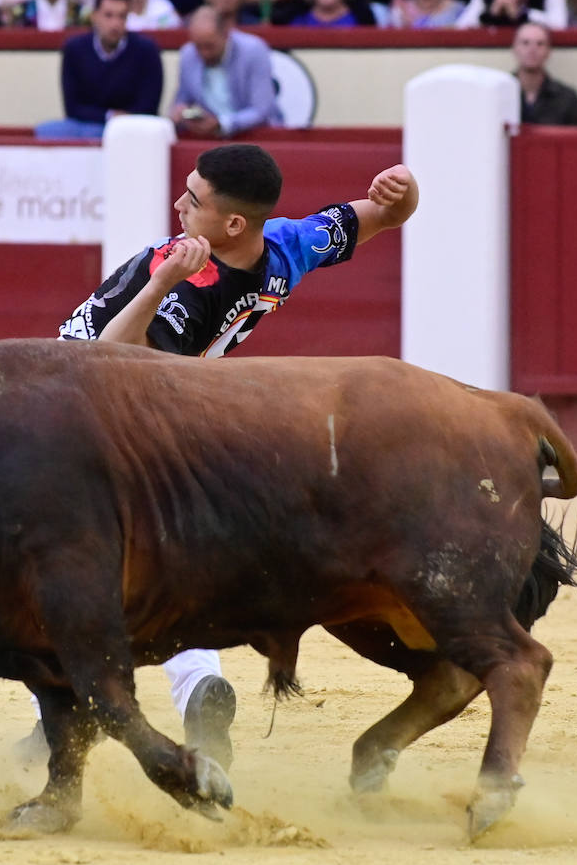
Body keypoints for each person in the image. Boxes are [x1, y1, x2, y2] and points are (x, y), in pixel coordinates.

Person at [25, 144, 419, 769]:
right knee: (161, 560)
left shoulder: (186, 281)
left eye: (194, 199)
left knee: (67, 569)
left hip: (81, 415)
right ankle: (174, 688)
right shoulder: (286, 246)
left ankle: (71, 709)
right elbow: (377, 217)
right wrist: (401, 197)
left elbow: (105, 366)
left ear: (233, 223)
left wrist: (161, 281)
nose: (179, 204)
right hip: (161, 411)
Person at [34, 0, 162, 137]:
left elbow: (150, 106)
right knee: (48, 131)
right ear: (94, 16)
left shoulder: (147, 50)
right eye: (108, 15)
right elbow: (72, 107)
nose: (115, 24)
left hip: (132, 129)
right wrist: (109, 116)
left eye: (122, 16)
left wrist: (122, 121)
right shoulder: (74, 49)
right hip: (86, 126)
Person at [170, 4, 280, 138]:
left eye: (209, 46)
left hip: (257, 138)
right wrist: (180, 112)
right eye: (198, 46)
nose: (204, 53)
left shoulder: (254, 50)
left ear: (226, 34)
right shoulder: (188, 54)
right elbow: (181, 100)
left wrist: (222, 123)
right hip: (210, 140)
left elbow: (262, 110)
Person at [512, 22, 577, 126]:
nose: (532, 50)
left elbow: (576, 139)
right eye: (525, 43)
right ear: (514, 49)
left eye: (540, 44)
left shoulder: (567, 97)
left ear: (548, 51)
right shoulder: (499, 94)